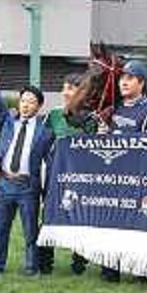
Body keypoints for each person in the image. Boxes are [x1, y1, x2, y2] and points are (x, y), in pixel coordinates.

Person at [0, 59, 54, 276]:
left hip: (28, 186)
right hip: (4, 182)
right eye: (23, 100)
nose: (25, 105)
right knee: (0, 229)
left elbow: (52, 162)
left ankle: (31, 267)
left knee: (30, 231)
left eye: (31, 102)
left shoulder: (45, 133)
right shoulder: (8, 121)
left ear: (39, 106)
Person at [101, 60, 147, 283]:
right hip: (113, 177)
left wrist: (132, 140)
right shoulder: (115, 107)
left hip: (138, 178)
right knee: (111, 223)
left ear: (141, 83)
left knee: (136, 225)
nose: (123, 82)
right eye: (122, 78)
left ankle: (140, 272)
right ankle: (110, 269)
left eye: (129, 78)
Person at [38, 73, 95, 276]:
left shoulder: (91, 117)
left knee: (81, 218)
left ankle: (79, 264)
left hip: (82, 179)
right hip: (55, 177)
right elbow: (42, 144)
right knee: (49, 217)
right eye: (64, 88)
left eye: (70, 88)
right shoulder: (53, 115)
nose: (65, 92)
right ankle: (45, 263)